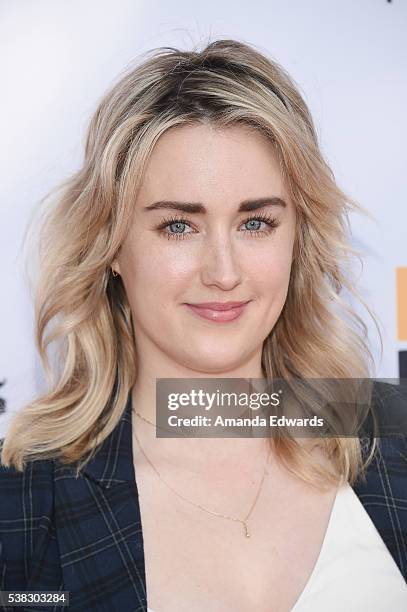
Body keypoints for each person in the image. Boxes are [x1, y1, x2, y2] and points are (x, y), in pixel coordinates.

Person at [1, 38, 407, 612]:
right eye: (178, 227)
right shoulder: (21, 503)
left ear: (298, 240)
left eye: (256, 223)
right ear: (112, 245)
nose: (222, 271)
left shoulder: (389, 441)